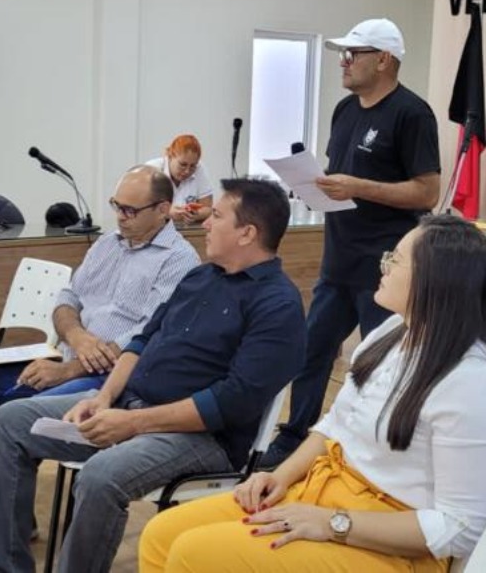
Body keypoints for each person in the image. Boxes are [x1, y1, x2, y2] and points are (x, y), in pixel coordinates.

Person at [0, 178, 307, 573]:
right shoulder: (200, 277)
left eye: (217, 216)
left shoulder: (278, 305)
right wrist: (103, 398)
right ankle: (3, 568)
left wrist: (132, 423)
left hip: (200, 438)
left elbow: (230, 402)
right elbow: (141, 341)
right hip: (128, 405)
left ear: (247, 233)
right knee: (8, 422)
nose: (204, 222)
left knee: (100, 476)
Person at [139, 214, 486, 573]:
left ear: (435, 281)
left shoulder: (468, 382)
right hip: (325, 492)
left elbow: (459, 528)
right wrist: (280, 477)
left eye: (394, 259)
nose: (382, 266)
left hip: (389, 541)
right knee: (161, 534)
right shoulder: (392, 332)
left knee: (193, 553)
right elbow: (335, 425)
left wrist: (334, 523)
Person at [0, 165, 200, 552]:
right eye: (116, 205)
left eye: (131, 210)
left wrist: (68, 370)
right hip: (67, 355)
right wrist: (77, 336)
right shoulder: (108, 243)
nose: (120, 217)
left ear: (163, 209)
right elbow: (67, 299)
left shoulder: (180, 261)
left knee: (16, 412)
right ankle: (1, 510)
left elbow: (147, 338)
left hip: (111, 380)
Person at [260, 18, 440, 468]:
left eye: (353, 54)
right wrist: (313, 187)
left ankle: (374, 453)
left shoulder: (412, 114)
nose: (343, 61)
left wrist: (359, 187)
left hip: (386, 270)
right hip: (338, 261)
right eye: (343, 53)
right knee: (311, 352)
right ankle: (294, 437)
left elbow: (427, 192)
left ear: (384, 60)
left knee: (381, 365)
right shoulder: (344, 110)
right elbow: (339, 180)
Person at [145, 134, 213, 224]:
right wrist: (167, 212)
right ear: (170, 156)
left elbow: (208, 209)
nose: (187, 171)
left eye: (192, 166)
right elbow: (140, 209)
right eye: (183, 165)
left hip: (187, 229)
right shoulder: (152, 169)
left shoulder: (199, 168)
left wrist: (194, 214)